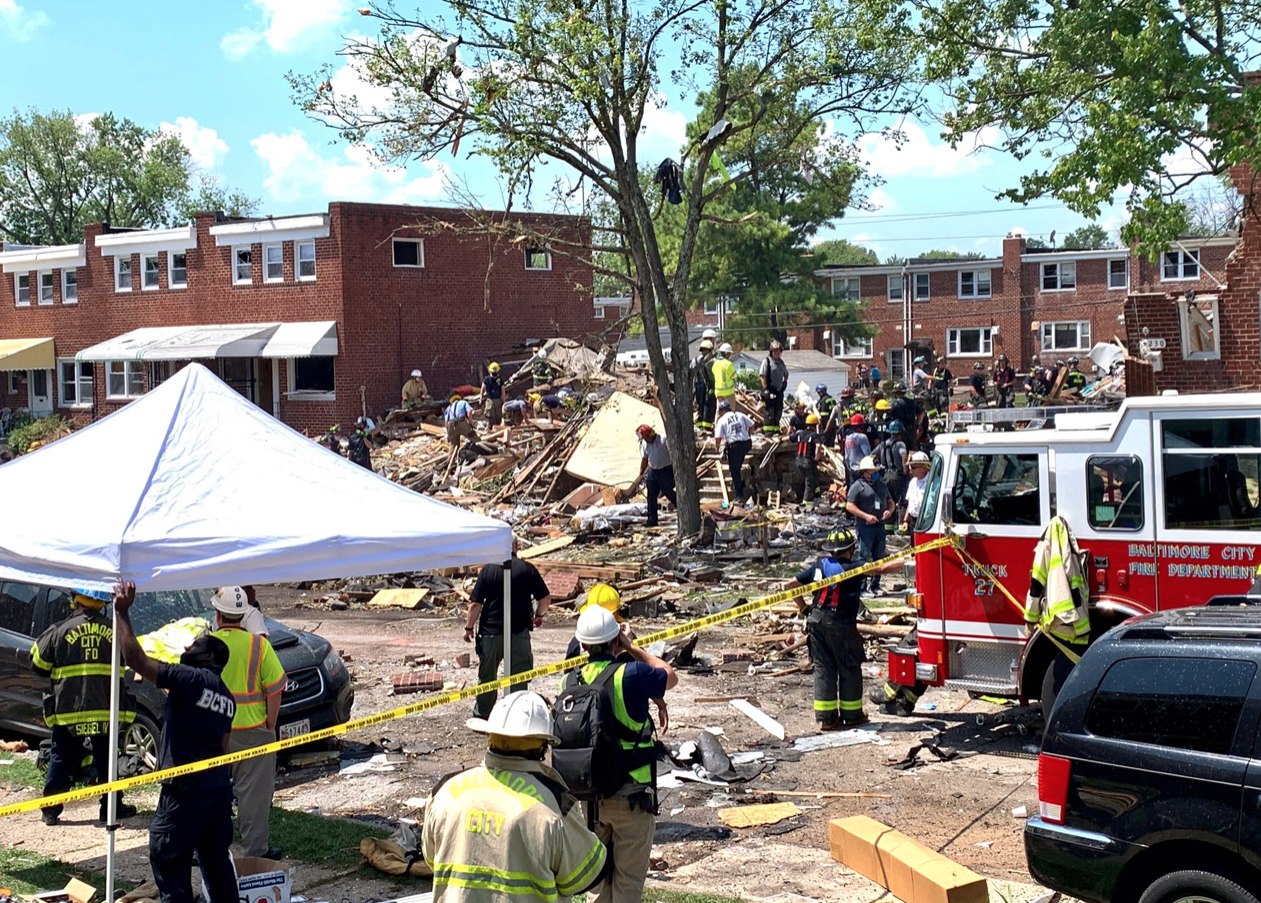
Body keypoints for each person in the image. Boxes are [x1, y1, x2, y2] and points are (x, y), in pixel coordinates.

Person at [114, 581, 238, 903]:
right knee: (216, 864)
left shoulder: (192, 679)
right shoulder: (226, 696)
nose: (189, 646)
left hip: (184, 794)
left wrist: (122, 612)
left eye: (197, 644)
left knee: (170, 860)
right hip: (215, 791)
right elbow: (222, 747)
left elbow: (136, 660)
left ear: (209, 656)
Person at [423, 691, 608, 903]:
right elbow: (584, 876)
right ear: (542, 745)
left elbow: (432, 857)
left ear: (491, 736)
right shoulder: (553, 804)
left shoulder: (445, 791)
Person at [566, 607, 677, 903]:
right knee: (627, 884)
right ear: (616, 640)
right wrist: (633, 648)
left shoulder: (571, 682)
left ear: (583, 645)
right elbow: (670, 676)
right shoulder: (632, 673)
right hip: (632, 796)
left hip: (590, 798)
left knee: (599, 885)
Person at [30, 588, 137, 826]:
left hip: (70, 709)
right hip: (105, 709)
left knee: (62, 757)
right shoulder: (115, 630)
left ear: (75, 601)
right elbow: (132, 658)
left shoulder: (59, 630)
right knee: (107, 759)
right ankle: (111, 808)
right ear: (101, 602)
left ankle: (51, 810)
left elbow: (37, 663)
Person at [785, 529, 906, 729]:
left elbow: (790, 585)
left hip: (816, 622)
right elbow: (882, 569)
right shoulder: (854, 566)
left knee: (824, 668)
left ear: (831, 551)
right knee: (849, 667)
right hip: (839, 623)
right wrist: (912, 560)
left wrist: (804, 608)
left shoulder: (819, 566)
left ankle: (827, 719)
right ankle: (852, 715)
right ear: (850, 549)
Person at [211, 586, 285, 860]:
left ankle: (208, 849)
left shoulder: (207, 644)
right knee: (254, 797)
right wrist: (270, 724)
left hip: (214, 731)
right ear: (243, 616)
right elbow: (275, 688)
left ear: (218, 616)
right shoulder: (258, 645)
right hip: (253, 731)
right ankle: (255, 851)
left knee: (208, 792)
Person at [464, 550, 553, 719]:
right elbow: (545, 598)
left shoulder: (488, 570)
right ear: (516, 546)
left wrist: (468, 628)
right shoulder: (527, 569)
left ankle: (483, 714)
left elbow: (475, 604)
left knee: (487, 676)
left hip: (491, 633)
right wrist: (539, 615)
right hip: (518, 632)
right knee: (518, 676)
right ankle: (516, 714)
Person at [845, 456, 894, 597]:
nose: (875, 473)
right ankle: (861, 588)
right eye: (872, 471)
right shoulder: (857, 486)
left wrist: (889, 511)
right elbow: (849, 505)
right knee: (863, 557)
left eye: (876, 471)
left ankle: (875, 585)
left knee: (879, 557)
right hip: (865, 527)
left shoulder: (881, 485)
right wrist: (866, 516)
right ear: (865, 472)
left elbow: (891, 502)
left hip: (880, 526)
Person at [636, 423, 676, 528]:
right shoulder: (645, 444)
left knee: (668, 491)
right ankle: (652, 519)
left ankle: (682, 509)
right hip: (653, 470)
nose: (645, 440)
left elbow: (673, 454)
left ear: (650, 434)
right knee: (651, 495)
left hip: (666, 470)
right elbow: (645, 459)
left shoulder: (663, 439)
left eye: (645, 437)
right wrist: (641, 473)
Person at [714, 399, 754, 503]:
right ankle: (739, 484)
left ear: (722, 411)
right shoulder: (740, 414)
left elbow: (718, 438)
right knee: (737, 465)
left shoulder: (722, 420)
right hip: (746, 444)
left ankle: (739, 495)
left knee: (734, 470)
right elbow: (751, 424)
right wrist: (749, 435)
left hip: (735, 446)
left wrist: (717, 447)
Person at [875, 420, 909, 507]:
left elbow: (871, 456)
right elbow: (904, 457)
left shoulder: (882, 445)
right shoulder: (900, 444)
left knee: (889, 501)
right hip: (897, 476)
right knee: (901, 501)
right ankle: (901, 519)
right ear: (900, 433)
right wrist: (906, 472)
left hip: (885, 475)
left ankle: (889, 519)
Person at [759, 340, 789, 434]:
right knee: (769, 412)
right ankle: (768, 431)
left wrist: (784, 383)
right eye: (775, 351)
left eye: (778, 351)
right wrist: (765, 389)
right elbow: (762, 376)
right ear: (771, 352)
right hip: (770, 390)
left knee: (778, 411)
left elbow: (786, 374)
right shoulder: (767, 361)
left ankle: (776, 429)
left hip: (779, 391)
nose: (777, 353)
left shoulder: (781, 363)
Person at [791, 413, 822, 505]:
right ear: (816, 425)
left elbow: (789, 438)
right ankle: (806, 503)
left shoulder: (800, 433)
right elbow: (818, 446)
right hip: (808, 461)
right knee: (809, 481)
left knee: (815, 475)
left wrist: (780, 440)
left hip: (799, 461)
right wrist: (816, 459)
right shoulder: (814, 435)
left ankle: (817, 495)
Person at [901, 451, 932, 532]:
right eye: (910, 467)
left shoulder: (933, 483)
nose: (910, 470)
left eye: (913, 467)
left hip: (928, 523)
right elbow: (910, 503)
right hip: (913, 522)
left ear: (924, 467)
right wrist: (905, 521)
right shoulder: (913, 482)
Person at [690, 338, 717, 429]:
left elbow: (691, 372)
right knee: (708, 405)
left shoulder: (695, 360)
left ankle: (699, 425)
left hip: (698, 386)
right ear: (710, 350)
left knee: (699, 406)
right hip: (708, 386)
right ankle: (707, 426)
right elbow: (714, 376)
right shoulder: (713, 361)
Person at [711, 343, 737, 407]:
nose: (730, 355)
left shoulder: (715, 363)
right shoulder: (728, 364)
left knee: (719, 410)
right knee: (730, 409)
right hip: (728, 392)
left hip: (718, 392)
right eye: (729, 353)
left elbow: (713, 373)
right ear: (726, 353)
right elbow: (734, 376)